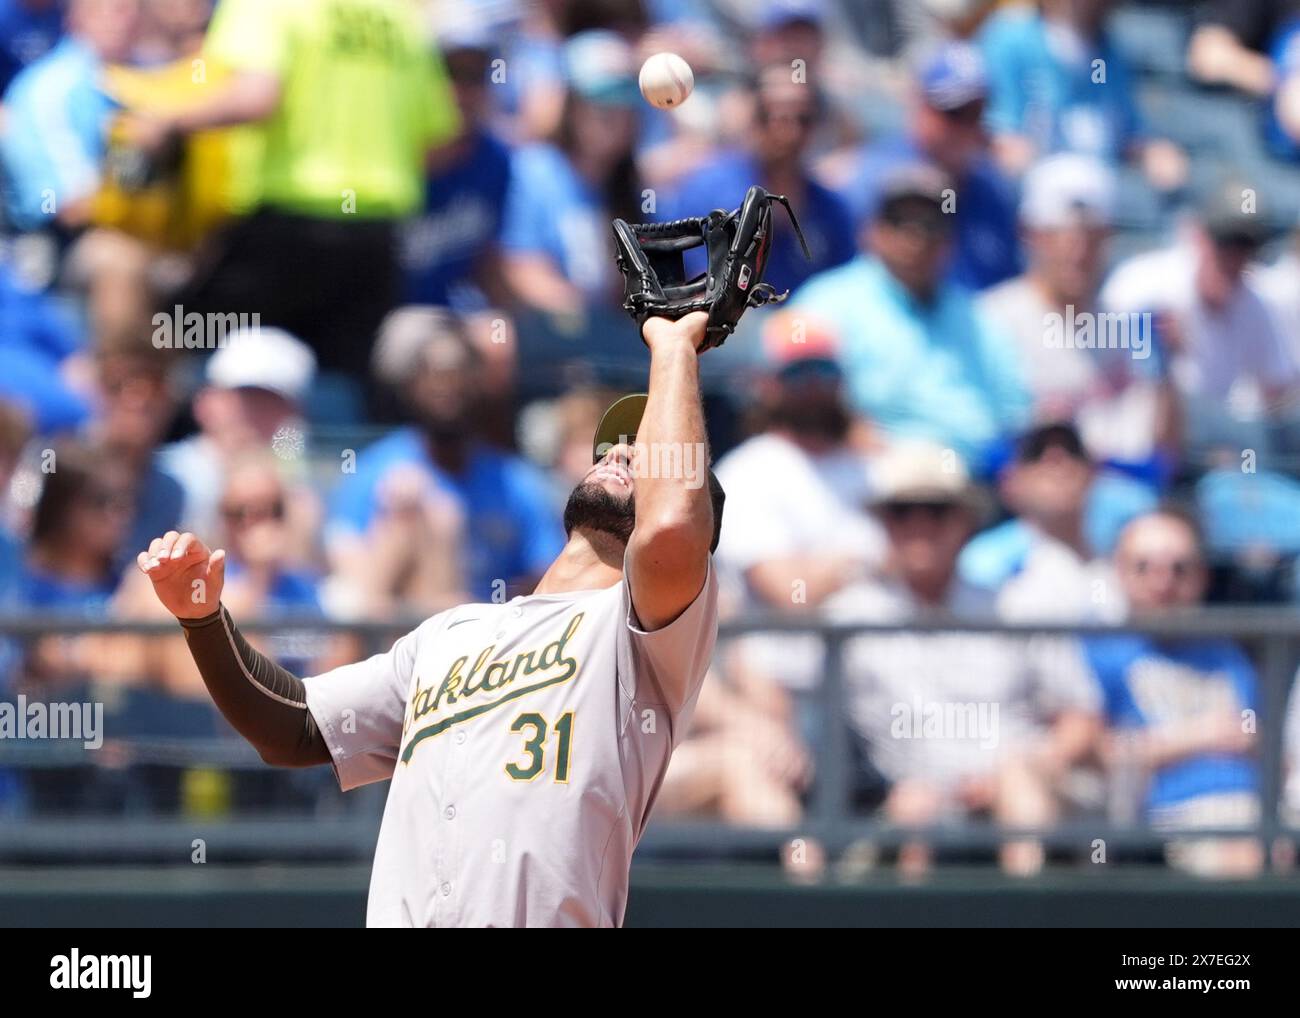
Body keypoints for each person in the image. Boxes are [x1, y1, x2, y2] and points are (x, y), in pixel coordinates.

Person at [138, 311, 724, 928]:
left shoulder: (644, 634)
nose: (626, 452)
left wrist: (675, 343)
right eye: (618, 445)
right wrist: (204, 619)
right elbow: (293, 729)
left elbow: (670, 527)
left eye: (647, 455)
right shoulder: (450, 634)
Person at [134, 0, 462, 378]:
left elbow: (258, 96)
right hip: (375, 238)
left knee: (180, 337)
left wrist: (166, 121)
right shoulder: (400, 17)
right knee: (343, 383)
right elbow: (439, 140)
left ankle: (204, 433)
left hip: (284, 230)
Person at [825, 440, 1102, 875]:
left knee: (1019, 784)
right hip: (903, 801)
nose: (919, 525)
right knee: (916, 812)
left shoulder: (1015, 606)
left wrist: (1027, 766)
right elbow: (774, 679)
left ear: (964, 521)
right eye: (902, 511)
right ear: (883, 523)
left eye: (935, 510)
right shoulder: (849, 616)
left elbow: (1081, 717)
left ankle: (1027, 907)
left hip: (1018, 789)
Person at [791, 162, 1031, 472]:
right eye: (900, 220)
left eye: (931, 223)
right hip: (866, 475)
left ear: (951, 241)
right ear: (870, 230)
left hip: (971, 483)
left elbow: (1016, 412)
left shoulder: (978, 317)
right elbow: (784, 387)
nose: (916, 235)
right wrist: (842, 428)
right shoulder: (827, 301)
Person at [326, 307, 564, 607]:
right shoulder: (374, 472)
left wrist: (486, 611)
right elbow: (352, 586)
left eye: (458, 375)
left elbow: (549, 576)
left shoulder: (517, 481)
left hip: (493, 639)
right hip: (400, 638)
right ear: (410, 386)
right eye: (434, 376)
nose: (446, 389)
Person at [1084, 509, 1264, 877]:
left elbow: (1258, 739)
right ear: (1119, 572)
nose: (1162, 582)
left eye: (1179, 568)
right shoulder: (1098, 652)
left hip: (1259, 806)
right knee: (1238, 847)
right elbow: (1094, 753)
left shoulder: (1226, 653)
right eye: (1145, 567)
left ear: (1202, 577)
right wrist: (1200, 735)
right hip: (1164, 815)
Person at [979, 153, 1178, 469]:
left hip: (1117, 490)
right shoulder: (990, 319)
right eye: (1061, 238)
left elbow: (1164, 451)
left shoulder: (1125, 324)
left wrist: (1167, 365)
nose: (1078, 253)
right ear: (1031, 235)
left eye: (1091, 238)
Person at [1100, 179, 1298, 460]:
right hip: (1138, 442)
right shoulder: (1145, 284)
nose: (1234, 256)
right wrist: (1157, 350)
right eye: (1226, 242)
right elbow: (1105, 371)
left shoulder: (1256, 302)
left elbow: (1279, 390)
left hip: (1215, 444)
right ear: (1199, 238)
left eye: (1245, 246)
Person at [822, 39, 1021, 291]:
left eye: (975, 113)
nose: (965, 128)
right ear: (920, 106)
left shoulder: (993, 190)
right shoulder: (868, 180)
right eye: (954, 112)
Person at [659, 63, 855, 296]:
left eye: (802, 119)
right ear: (752, 118)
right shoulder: (706, 190)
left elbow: (847, 292)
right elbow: (692, 283)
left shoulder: (833, 209)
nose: (787, 132)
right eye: (771, 116)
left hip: (807, 326)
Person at [499, 29, 644, 315]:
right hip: (547, 343)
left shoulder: (632, 187)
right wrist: (592, 324)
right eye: (599, 99)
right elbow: (520, 269)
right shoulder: (532, 172)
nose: (612, 113)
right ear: (571, 106)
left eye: (623, 99)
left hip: (608, 346)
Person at [977, 0, 1186, 189]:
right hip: (1039, 187)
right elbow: (998, 133)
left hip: (1103, 189)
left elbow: (1128, 132)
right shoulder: (1011, 38)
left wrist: (1153, 151)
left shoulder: (1108, 53)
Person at [157, 326, 320, 566]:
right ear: (206, 403)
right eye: (245, 399)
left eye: (272, 403)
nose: (255, 415)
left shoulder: (302, 488)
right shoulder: (166, 475)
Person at [401, 21, 513, 312]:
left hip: (446, 317)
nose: (462, 91)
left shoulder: (494, 160)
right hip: (376, 322)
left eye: (475, 76)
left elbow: (488, 269)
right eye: (449, 73)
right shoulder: (386, 155)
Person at [0, 0, 140, 232]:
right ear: (76, 18)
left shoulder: (145, 73)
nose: (124, 22)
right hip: (56, 240)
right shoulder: (51, 90)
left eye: (130, 10)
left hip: (127, 221)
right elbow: (68, 208)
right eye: (111, 11)